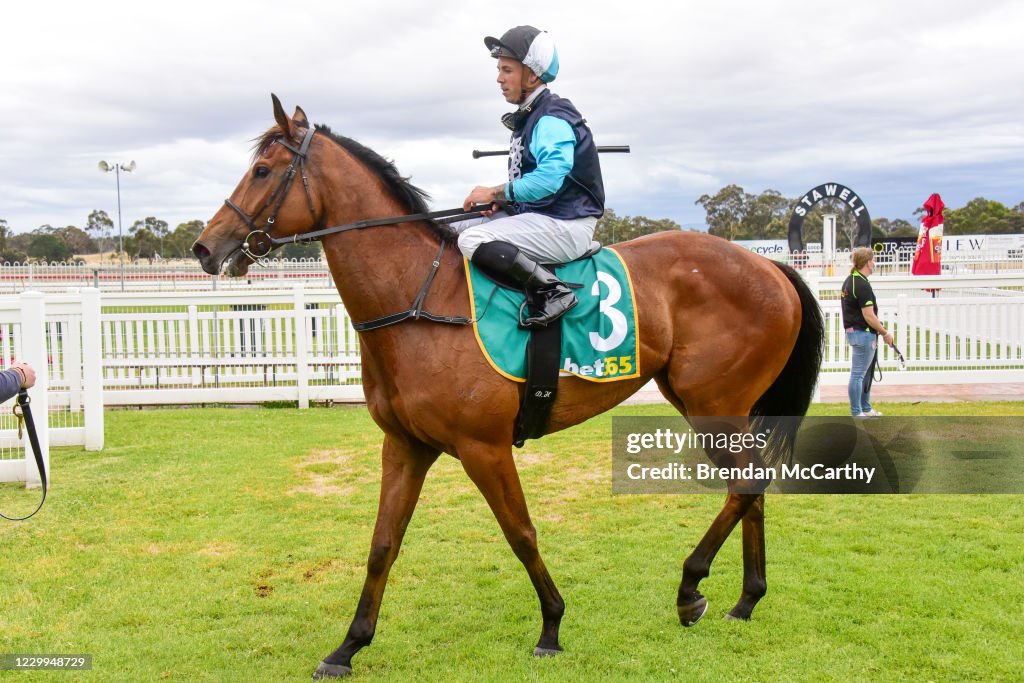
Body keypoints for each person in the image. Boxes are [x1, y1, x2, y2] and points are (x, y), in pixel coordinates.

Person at [457, 25, 605, 329]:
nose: (499, 78)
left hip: (567, 226)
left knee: (472, 238)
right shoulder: (530, 114)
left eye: (507, 70)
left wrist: (496, 193)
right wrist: (506, 205)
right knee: (454, 225)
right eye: (499, 69)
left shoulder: (551, 117)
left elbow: (549, 180)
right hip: (545, 218)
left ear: (533, 75)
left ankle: (553, 292)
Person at [841, 248, 893, 417]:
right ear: (869, 262)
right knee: (858, 374)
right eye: (873, 260)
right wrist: (884, 332)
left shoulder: (851, 281)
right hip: (863, 333)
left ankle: (865, 408)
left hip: (856, 332)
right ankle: (857, 411)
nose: (874, 263)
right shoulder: (861, 284)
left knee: (866, 373)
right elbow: (868, 315)